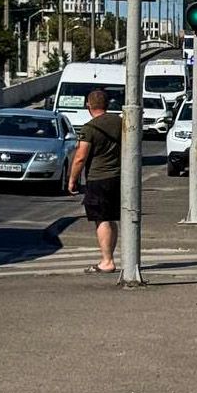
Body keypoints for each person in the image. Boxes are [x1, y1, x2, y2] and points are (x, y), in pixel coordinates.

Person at [68, 89, 122, 275]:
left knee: (102, 219)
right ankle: (110, 257)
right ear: (107, 104)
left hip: (99, 178)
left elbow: (80, 158)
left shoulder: (90, 128)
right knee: (111, 218)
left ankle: (107, 261)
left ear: (88, 105)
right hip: (119, 176)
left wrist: (72, 180)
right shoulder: (120, 122)